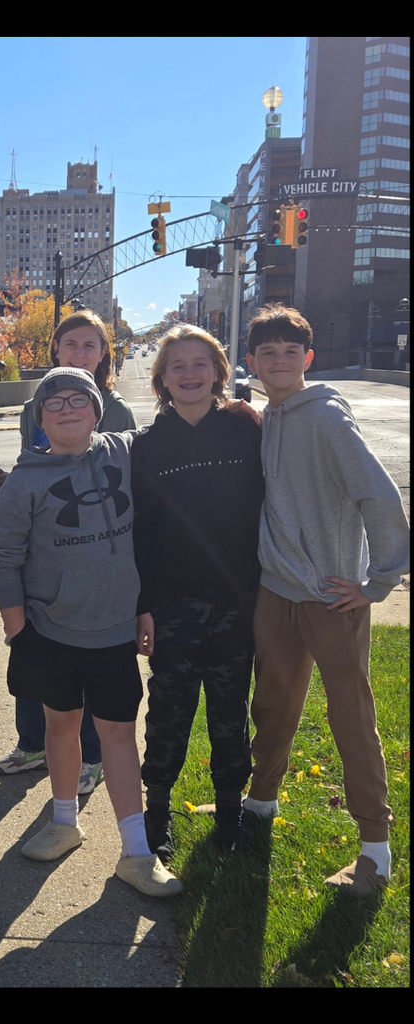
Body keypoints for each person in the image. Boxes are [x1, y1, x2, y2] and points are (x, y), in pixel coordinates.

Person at [0, 367, 182, 896]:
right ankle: (64, 822)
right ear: (39, 418)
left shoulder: (123, 450)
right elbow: (2, 555)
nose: (67, 409)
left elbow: (176, 424)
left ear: (97, 409)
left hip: (115, 631)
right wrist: (16, 628)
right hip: (51, 631)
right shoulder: (24, 481)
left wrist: (245, 409)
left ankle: (137, 854)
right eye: (55, 403)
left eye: (79, 399)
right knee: (60, 728)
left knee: (118, 736)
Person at [242, 304, 409, 895]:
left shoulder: (327, 419)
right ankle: (259, 803)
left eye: (292, 351)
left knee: (351, 716)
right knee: (274, 704)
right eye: (269, 352)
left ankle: (375, 848)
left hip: (334, 597)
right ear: (251, 362)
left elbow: (379, 496)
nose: (280, 360)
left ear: (308, 359)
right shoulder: (271, 416)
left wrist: (376, 582)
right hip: (276, 589)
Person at [132, 326, 264, 862]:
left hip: (238, 601)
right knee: (168, 712)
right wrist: (141, 605)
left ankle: (229, 815)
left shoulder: (245, 432)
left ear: (218, 371)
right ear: (162, 378)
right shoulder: (147, 446)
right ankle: (156, 814)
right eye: (177, 365)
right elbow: (138, 531)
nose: (189, 373)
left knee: (230, 713)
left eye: (200, 363)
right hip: (171, 607)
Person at [0, 309, 137, 796]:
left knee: (102, 712)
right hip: (48, 599)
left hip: (111, 610)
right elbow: (7, 544)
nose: (79, 352)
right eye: (71, 344)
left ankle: (90, 760)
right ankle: (38, 755)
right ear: (56, 349)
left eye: (90, 346)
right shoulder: (40, 411)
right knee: (48, 693)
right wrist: (16, 626)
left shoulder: (118, 431)